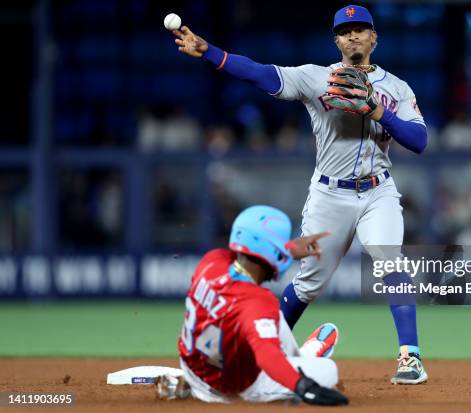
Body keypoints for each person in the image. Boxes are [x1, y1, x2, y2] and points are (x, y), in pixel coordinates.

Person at [171, 4, 428, 384]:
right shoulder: (315, 78)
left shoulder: (397, 88)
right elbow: (261, 75)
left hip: (378, 192)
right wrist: (210, 52)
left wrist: (378, 111)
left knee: (390, 260)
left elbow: (419, 141)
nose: (353, 35)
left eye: (360, 29)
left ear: (374, 36)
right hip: (330, 194)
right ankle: (260, 351)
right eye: (345, 30)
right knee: (309, 282)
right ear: (336, 40)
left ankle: (411, 358)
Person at [155, 205, 348, 405]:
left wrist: (289, 249)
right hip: (228, 388)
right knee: (328, 371)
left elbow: (252, 253)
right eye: (281, 246)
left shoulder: (212, 261)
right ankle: (306, 359)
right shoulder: (257, 302)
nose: (284, 250)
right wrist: (302, 387)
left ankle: (188, 384)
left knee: (270, 320)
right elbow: (266, 356)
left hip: (192, 366)